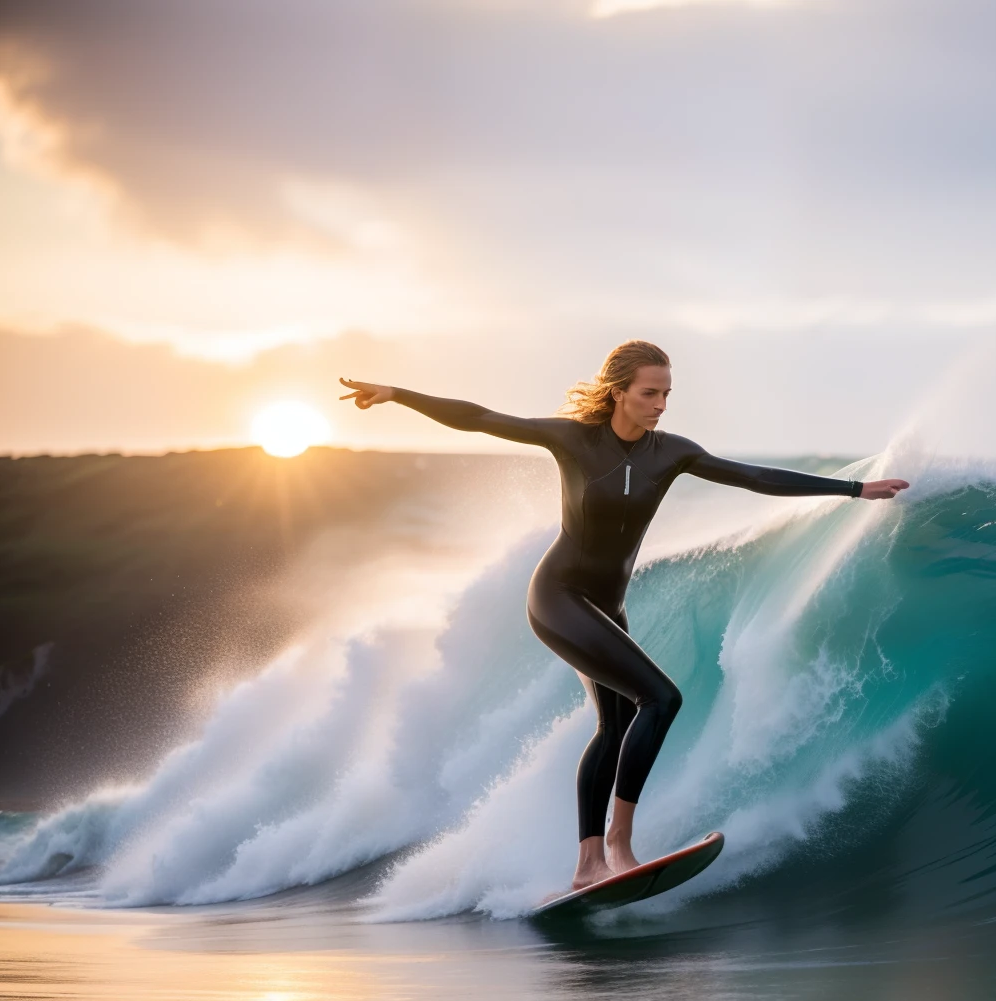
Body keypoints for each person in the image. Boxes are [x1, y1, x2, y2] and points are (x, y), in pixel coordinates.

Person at [340, 340, 909, 890]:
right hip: (558, 597)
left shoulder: (673, 452)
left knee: (613, 727)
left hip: (608, 605)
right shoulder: (573, 440)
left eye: (666, 394)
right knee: (661, 699)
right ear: (618, 393)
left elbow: (753, 477)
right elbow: (480, 417)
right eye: (649, 393)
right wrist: (395, 393)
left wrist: (855, 489)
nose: (660, 406)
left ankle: (588, 864)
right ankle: (617, 843)